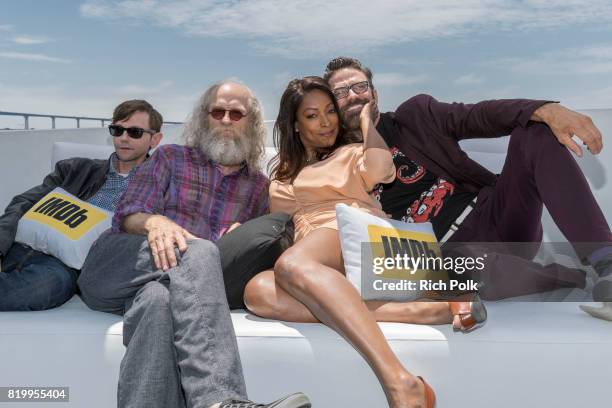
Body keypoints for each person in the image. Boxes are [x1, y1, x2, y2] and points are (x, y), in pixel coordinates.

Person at [246, 76, 489, 408]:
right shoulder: (280, 175)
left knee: (293, 264)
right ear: (295, 125)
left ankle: (400, 382)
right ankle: (420, 311)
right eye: (312, 115)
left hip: (360, 238)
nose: (326, 121)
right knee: (257, 291)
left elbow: (382, 170)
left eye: (330, 111)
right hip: (323, 258)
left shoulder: (350, 152)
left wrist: (365, 125)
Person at [77, 81, 310, 408]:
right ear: (204, 118)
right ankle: (219, 398)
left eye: (236, 113)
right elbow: (127, 215)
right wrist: (156, 222)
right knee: (198, 249)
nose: (226, 120)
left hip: (166, 287)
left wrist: (239, 239)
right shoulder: (170, 158)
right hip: (115, 268)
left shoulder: (258, 187)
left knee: (157, 303)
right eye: (218, 112)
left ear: (252, 123)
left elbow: (241, 258)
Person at [323, 57, 612, 315]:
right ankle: (572, 278)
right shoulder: (337, 165)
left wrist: (545, 110)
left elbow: (479, 116)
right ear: (331, 106)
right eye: (340, 92)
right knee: (460, 266)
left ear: (374, 93)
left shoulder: (416, 116)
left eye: (359, 87)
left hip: (497, 217)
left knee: (535, 132)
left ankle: (607, 262)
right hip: (448, 257)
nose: (352, 96)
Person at [0, 99, 162, 311]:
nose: (123, 138)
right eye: (117, 130)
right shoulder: (75, 169)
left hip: (62, 266)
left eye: (135, 132)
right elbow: (23, 203)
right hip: (19, 244)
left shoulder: (160, 188)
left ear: (155, 139)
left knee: (46, 287)